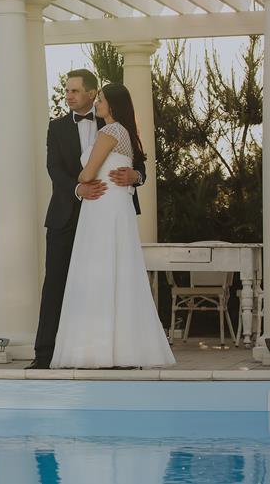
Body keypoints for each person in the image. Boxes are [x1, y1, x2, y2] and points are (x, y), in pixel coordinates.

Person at [49, 83, 175, 369]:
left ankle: (97, 350)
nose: (97, 104)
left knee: (99, 273)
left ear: (112, 105)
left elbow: (87, 174)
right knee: (117, 272)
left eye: (102, 100)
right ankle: (120, 350)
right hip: (114, 207)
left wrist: (86, 177)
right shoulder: (126, 132)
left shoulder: (109, 132)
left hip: (102, 207)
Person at [28, 69, 146, 370]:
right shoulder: (56, 127)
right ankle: (45, 355)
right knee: (55, 283)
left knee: (107, 282)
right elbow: (54, 168)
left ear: (93, 94)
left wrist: (136, 176)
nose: (68, 96)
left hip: (107, 214)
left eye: (74, 91)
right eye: (67, 90)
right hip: (66, 215)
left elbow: (139, 163)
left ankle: (109, 352)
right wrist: (78, 189)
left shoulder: (114, 124)